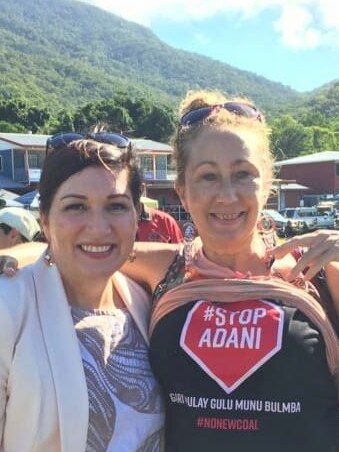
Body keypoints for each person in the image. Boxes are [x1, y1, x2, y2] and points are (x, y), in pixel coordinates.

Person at [1, 93, 339, 451]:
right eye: (207, 176)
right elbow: (86, 248)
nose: (226, 195)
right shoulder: (167, 268)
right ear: (182, 191)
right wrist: (16, 255)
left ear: (267, 184)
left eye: (243, 174)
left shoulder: (320, 272)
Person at [0, 132, 164, 451]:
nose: (99, 227)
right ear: (45, 220)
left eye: (116, 206)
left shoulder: (146, 302)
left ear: (136, 217)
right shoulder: (9, 307)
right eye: (76, 207)